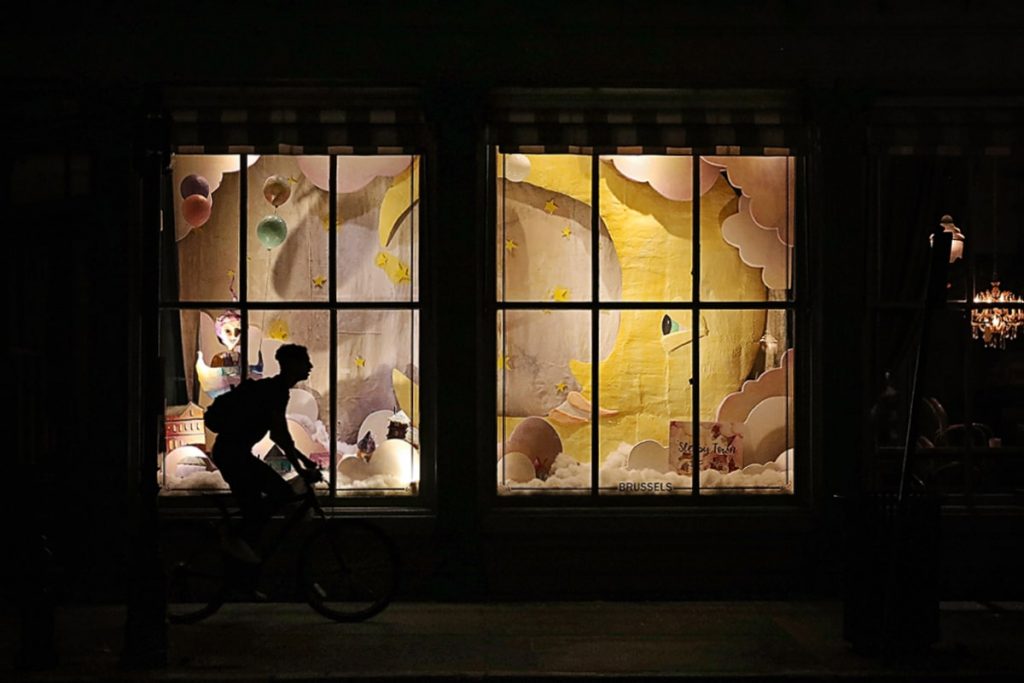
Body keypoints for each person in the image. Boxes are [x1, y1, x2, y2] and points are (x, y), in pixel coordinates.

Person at [211, 343, 322, 562]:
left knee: (259, 507)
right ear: (291, 365)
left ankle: (245, 561)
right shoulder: (276, 392)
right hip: (233, 455)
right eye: (304, 361)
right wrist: (301, 467)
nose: (310, 366)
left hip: (233, 453)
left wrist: (303, 462)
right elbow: (280, 435)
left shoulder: (275, 389)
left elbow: (278, 436)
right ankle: (237, 552)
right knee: (276, 498)